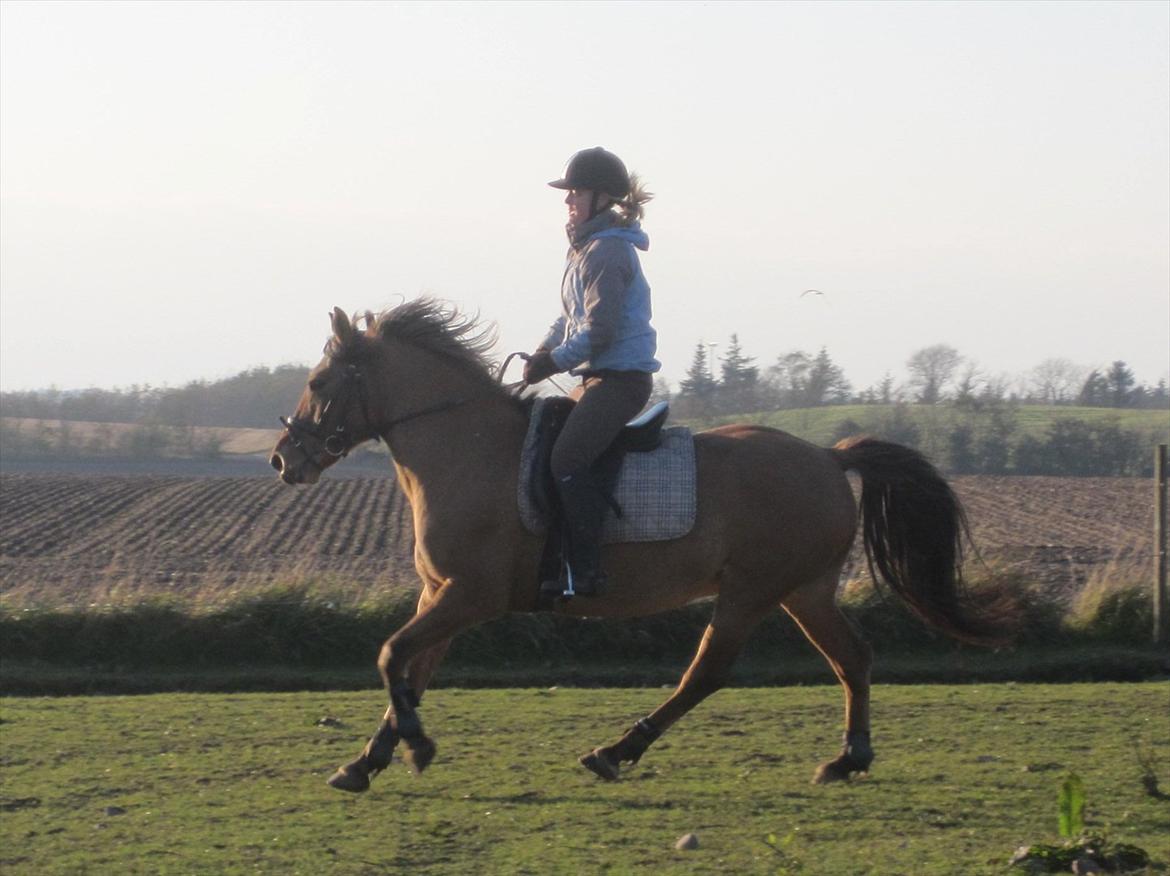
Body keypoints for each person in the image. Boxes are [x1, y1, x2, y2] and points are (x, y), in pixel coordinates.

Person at [523, 146, 660, 596]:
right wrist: (543, 352)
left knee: (566, 459)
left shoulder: (606, 253)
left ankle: (585, 568)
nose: (568, 201)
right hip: (598, 379)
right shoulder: (585, 252)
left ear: (602, 198)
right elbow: (569, 319)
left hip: (620, 382)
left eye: (575, 193)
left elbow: (599, 332)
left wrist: (554, 363)